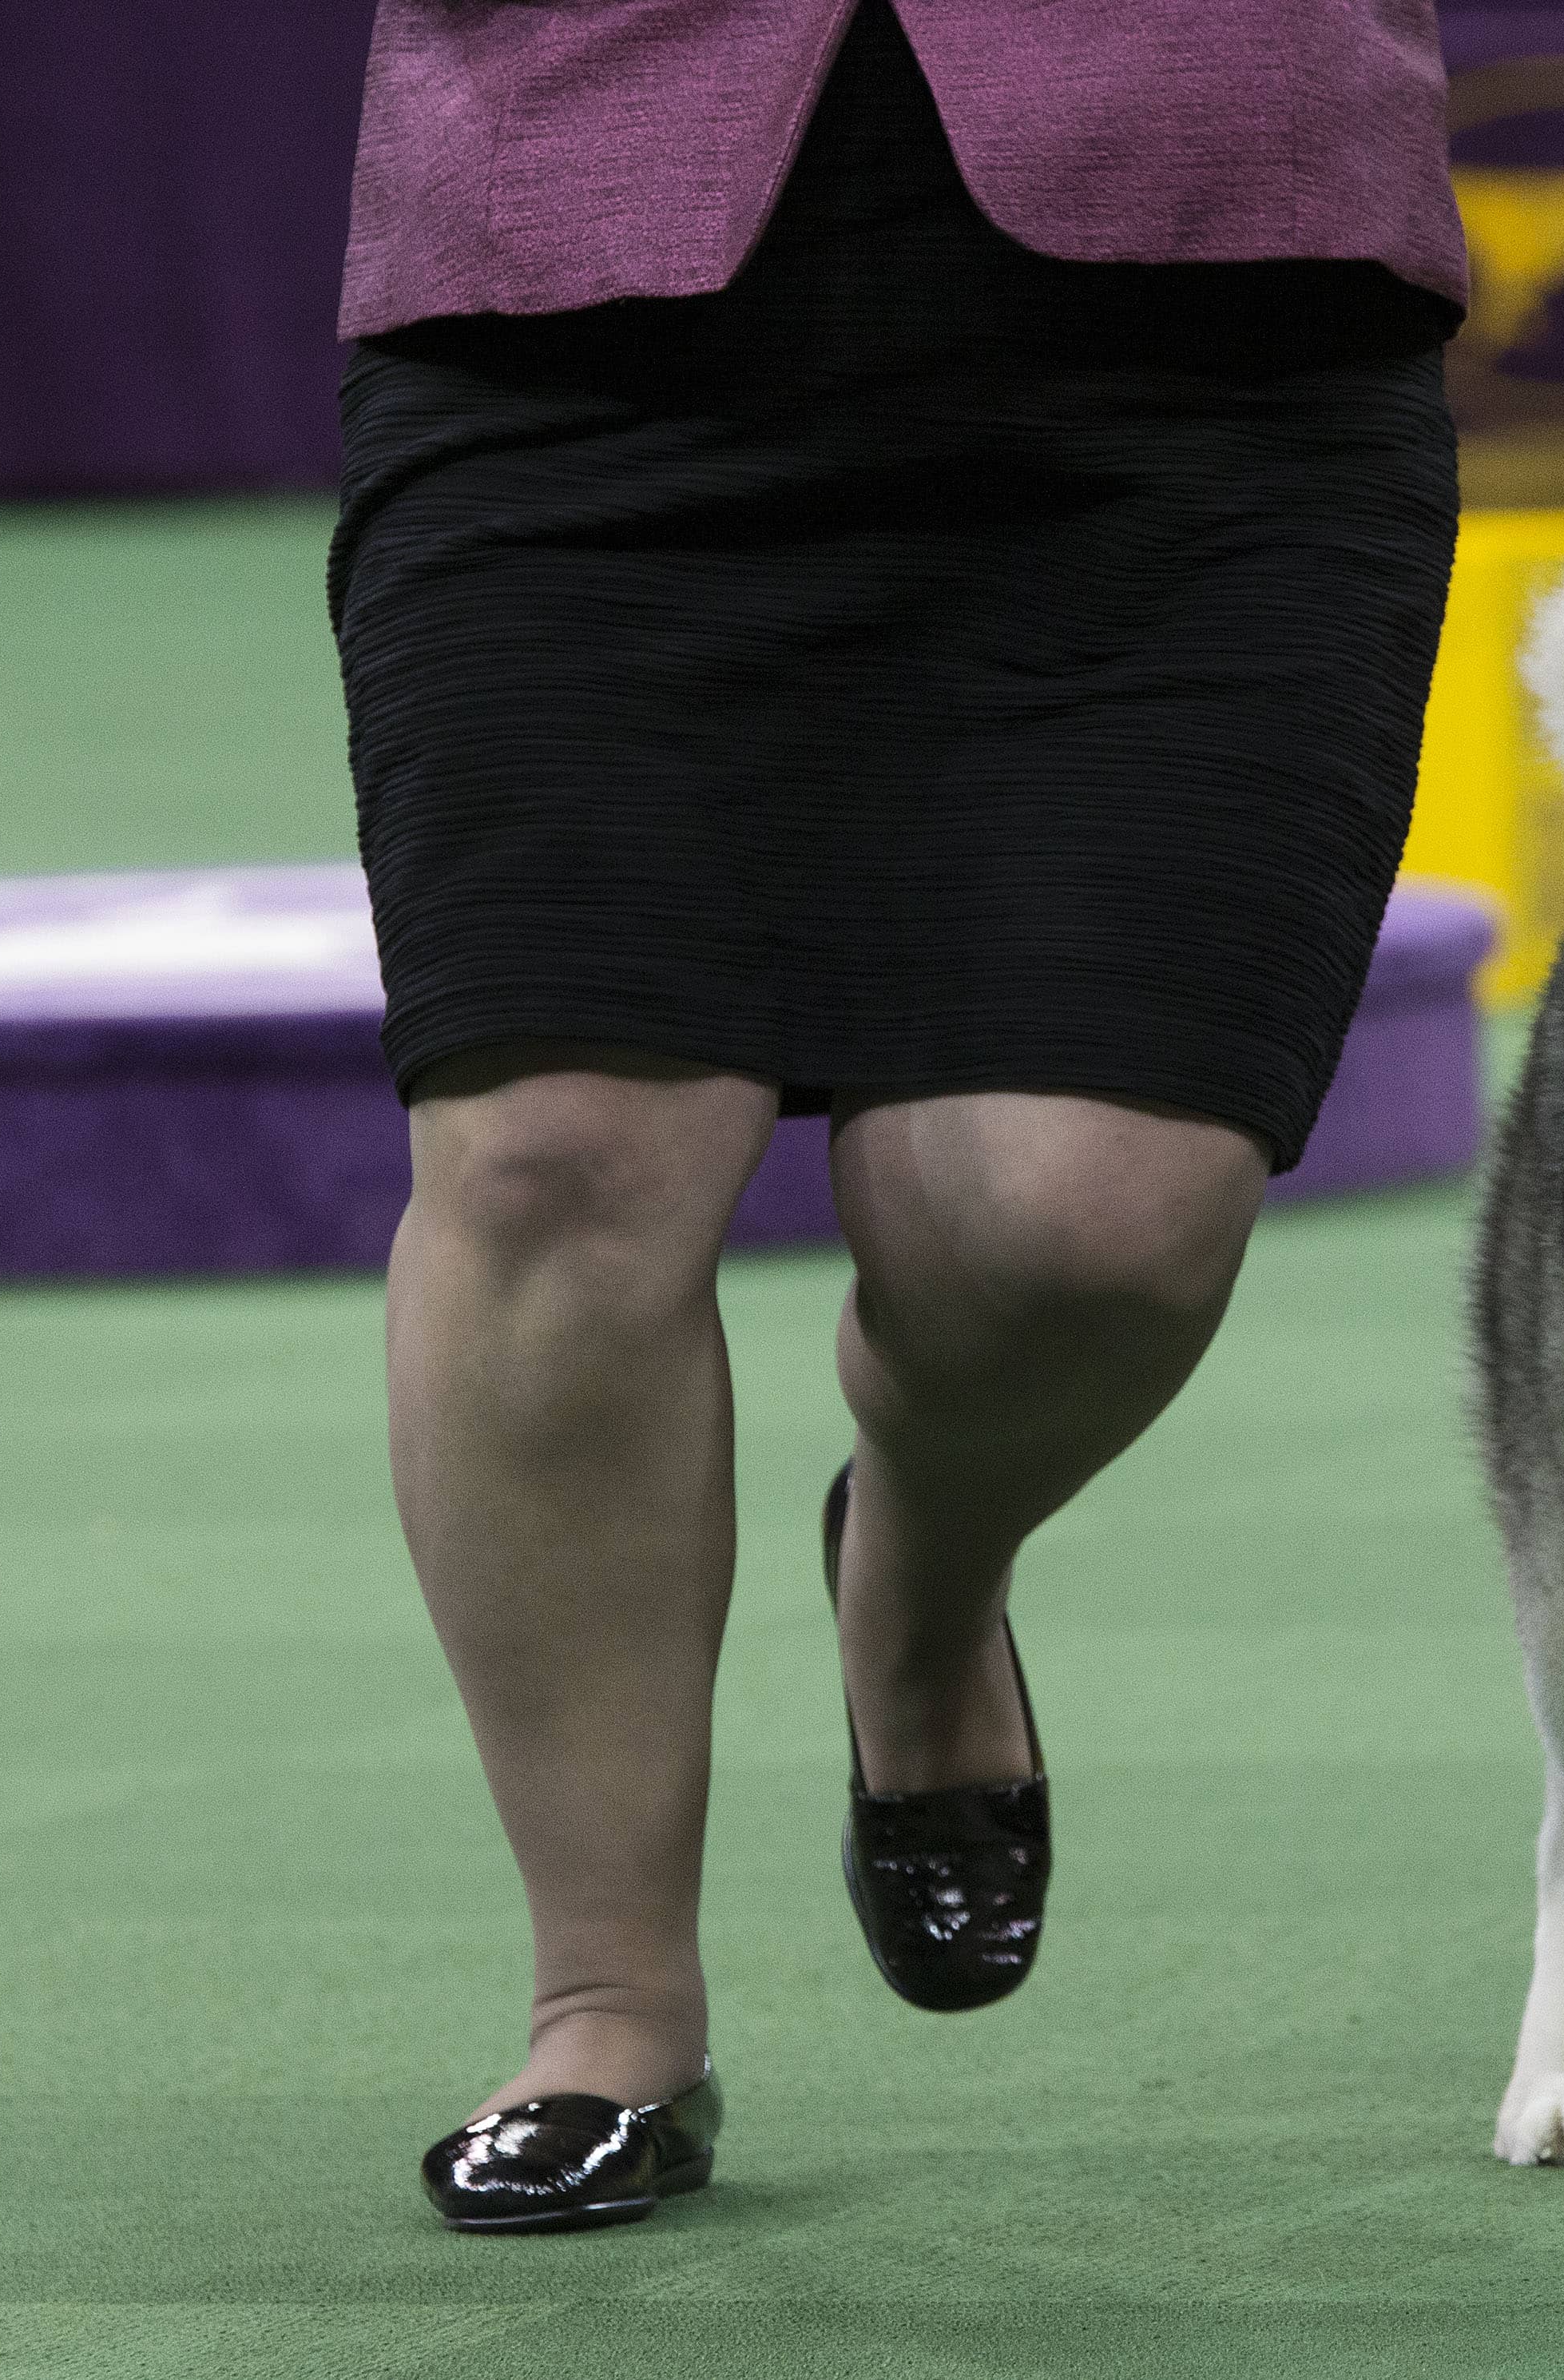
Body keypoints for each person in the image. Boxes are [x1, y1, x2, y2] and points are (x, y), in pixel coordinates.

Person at [325, 0, 1466, 2232]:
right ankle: (608, 2006)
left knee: (1085, 1219)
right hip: (575, 263)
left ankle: (923, 1586)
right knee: (552, 1148)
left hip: (1206, 299)